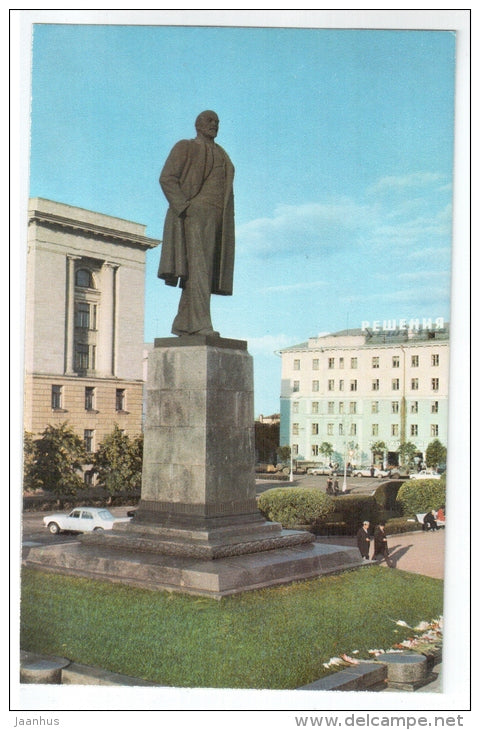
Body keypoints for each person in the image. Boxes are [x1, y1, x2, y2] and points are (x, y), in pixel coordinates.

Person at [158, 110, 235, 336]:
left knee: (202, 272)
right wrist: (185, 206)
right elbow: (167, 178)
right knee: (200, 269)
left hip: (218, 218)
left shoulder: (223, 154)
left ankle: (183, 322)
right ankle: (202, 324)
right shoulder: (186, 146)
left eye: (218, 122)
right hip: (195, 215)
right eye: (210, 121)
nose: (215, 125)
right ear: (198, 125)